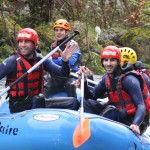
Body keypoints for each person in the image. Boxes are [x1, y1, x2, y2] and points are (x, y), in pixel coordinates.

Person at [0, 28, 79, 113]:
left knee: (73, 103)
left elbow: (63, 74)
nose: (22, 45)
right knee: (38, 99)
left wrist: (65, 61)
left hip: (38, 101)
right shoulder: (11, 62)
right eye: (20, 41)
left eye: (26, 42)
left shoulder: (41, 60)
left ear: (35, 45)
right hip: (18, 105)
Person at [77, 45, 150, 135]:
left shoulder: (129, 80)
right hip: (116, 113)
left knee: (111, 110)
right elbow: (90, 96)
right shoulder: (106, 78)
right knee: (88, 104)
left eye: (112, 60)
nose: (108, 64)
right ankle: (85, 129)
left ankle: (95, 132)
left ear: (119, 62)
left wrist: (136, 124)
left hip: (136, 120)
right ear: (102, 62)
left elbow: (140, 105)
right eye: (106, 60)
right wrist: (83, 81)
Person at [44, 19, 81, 98]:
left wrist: (53, 60)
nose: (58, 33)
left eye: (61, 30)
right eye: (56, 30)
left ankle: (74, 106)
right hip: (57, 76)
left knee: (71, 85)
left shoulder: (74, 44)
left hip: (72, 75)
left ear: (67, 32)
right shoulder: (53, 45)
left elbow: (71, 61)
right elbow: (50, 64)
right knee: (44, 86)